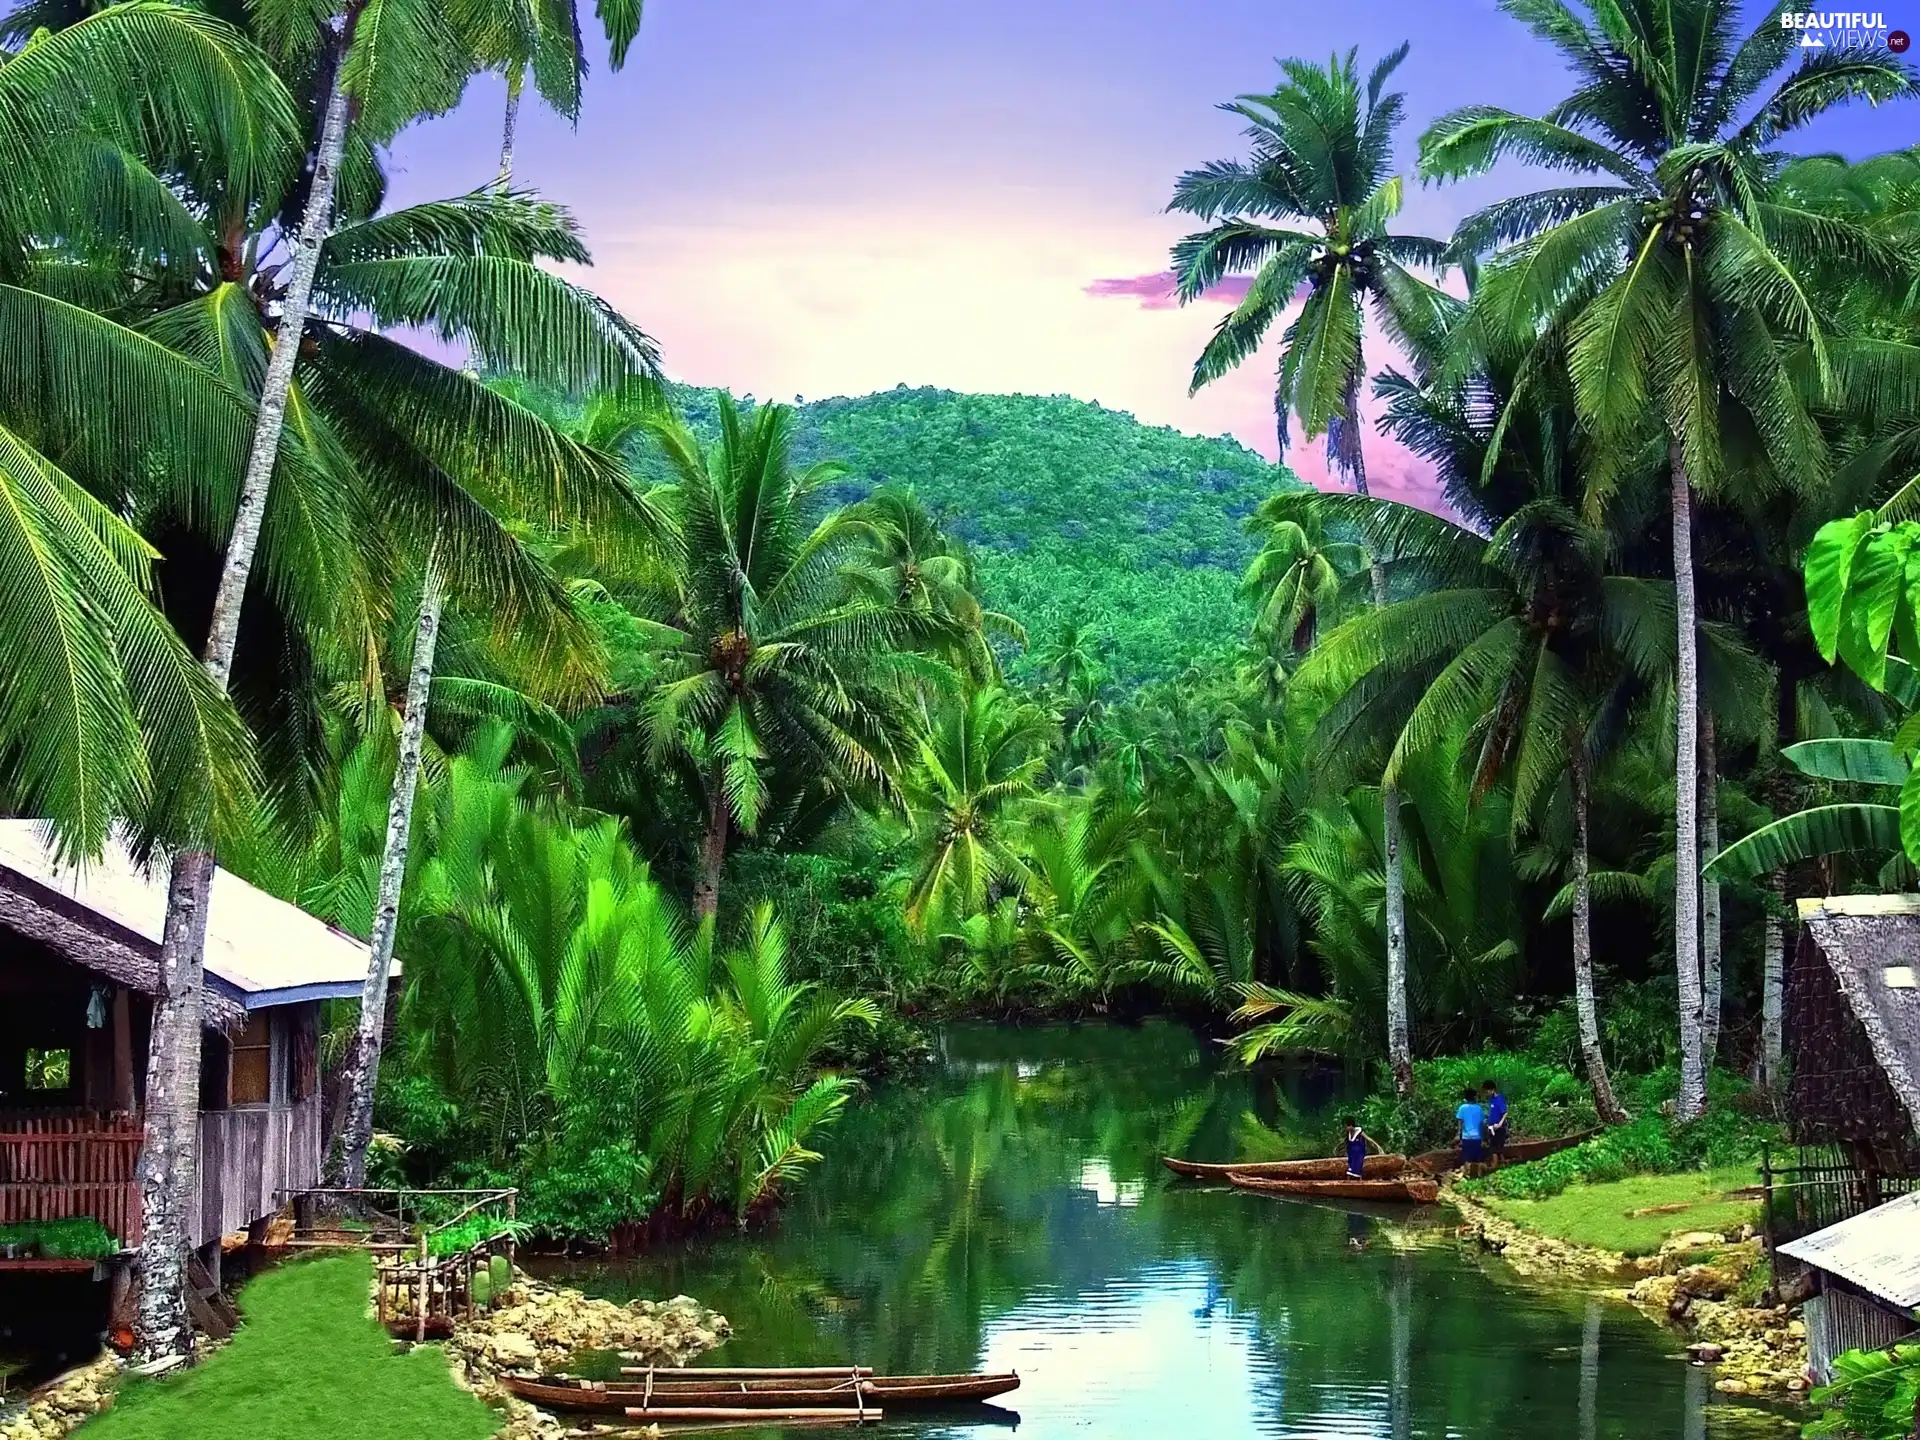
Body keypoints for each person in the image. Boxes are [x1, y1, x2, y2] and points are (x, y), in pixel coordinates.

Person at [1456, 1085, 1485, 1165]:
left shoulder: (1462, 1108)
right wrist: (1483, 1139)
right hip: (1477, 1138)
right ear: (1474, 1097)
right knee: (1476, 1160)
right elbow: (1481, 1125)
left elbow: (1460, 1124)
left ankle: (1468, 1173)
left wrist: (1459, 1135)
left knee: (1467, 1160)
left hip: (1466, 1138)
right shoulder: (1479, 1108)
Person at [1483, 1079, 1508, 1166]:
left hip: (1499, 1127)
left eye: (1487, 1091)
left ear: (1492, 1090)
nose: (1486, 1094)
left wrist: (1500, 1123)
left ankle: (1496, 1166)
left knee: (1496, 1149)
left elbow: (1505, 1112)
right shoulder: (1490, 1101)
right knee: (1495, 1148)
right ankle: (1502, 1165)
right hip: (1492, 1127)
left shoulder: (1499, 1099)